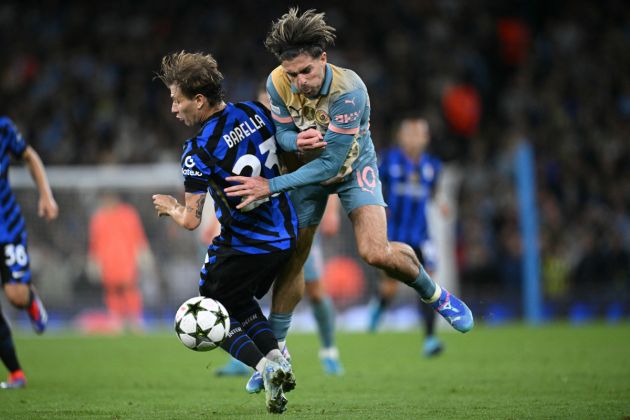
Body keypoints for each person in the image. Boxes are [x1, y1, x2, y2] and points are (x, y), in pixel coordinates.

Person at [224, 8, 474, 390]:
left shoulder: (349, 91)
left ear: (324, 59)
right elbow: (284, 136)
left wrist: (271, 186)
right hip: (307, 169)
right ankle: (275, 355)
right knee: (293, 258)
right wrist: (296, 140)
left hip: (353, 167)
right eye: (292, 74)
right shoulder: (276, 82)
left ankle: (434, 293)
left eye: (306, 71)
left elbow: (331, 165)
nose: (299, 81)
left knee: (375, 252)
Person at [152, 51, 297, 413]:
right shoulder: (255, 110)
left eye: (176, 100)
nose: (173, 109)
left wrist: (169, 206)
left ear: (198, 100)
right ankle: (278, 358)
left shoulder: (198, 149)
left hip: (246, 243)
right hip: (284, 233)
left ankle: (265, 368)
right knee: (241, 302)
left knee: (209, 304)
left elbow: (191, 220)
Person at [216, 85, 344, 378]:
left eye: (271, 107)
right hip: (262, 226)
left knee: (313, 287)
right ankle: (249, 357)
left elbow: (325, 168)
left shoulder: (295, 132)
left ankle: (329, 350)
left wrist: (332, 209)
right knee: (245, 290)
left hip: (298, 220)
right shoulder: (251, 138)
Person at [368, 116, 447, 357]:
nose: (414, 138)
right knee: (390, 287)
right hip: (395, 233)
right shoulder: (389, 160)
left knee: (429, 284)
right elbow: (373, 186)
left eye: (419, 134)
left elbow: (432, 192)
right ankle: (377, 311)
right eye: (410, 134)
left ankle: (430, 339)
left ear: (426, 138)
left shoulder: (432, 166)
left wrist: (440, 203)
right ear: (401, 137)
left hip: (422, 235)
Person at [0, 116, 58, 389]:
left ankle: (29, 297)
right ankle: (16, 373)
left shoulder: (3, 128)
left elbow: (29, 156)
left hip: (6, 226)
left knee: (16, 295)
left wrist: (45, 195)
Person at [87, 191, 153, 332]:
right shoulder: (99, 218)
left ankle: (135, 319)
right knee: (111, 290)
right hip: (107, 261)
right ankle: (116, 319)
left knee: (130, 288)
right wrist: (93, 261)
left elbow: (139, 237)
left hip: (126, 259)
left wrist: (143, 255)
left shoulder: (128, 214)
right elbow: (94, 243)